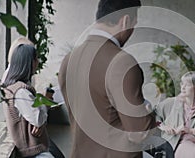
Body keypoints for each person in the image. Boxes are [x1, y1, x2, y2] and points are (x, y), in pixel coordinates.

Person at [58, 0, 155, 157]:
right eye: (133, 25)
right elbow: (139, 132)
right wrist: (149, 110)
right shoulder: (122, 62)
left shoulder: (69, 60)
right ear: (125, 21)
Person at [2, 44, 56, 157]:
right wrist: (43, 102)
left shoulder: (13, 88)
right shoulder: (21, 91)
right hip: (32, 152)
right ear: (28, 62)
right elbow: (38, 119)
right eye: (35, 58)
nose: (38, 62)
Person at [154, 71, 195, 158]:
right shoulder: (171, 103)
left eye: (187, 85)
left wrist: (191, 131)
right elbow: (152, 115)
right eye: (182, 84)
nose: (183, 87)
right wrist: (163, 126)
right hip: (177, 145)